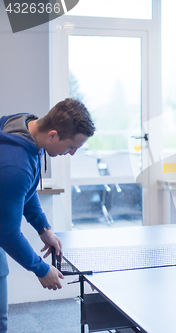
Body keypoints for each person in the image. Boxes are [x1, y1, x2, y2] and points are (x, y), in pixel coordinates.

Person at [0, 98, 95, 333]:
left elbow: (25, 189)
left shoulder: (24, 125)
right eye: (71, 146)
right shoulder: (15, 164)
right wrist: (41, 269)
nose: (72, 153)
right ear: (52, 135)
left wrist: (44, 228)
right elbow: (8, 233)